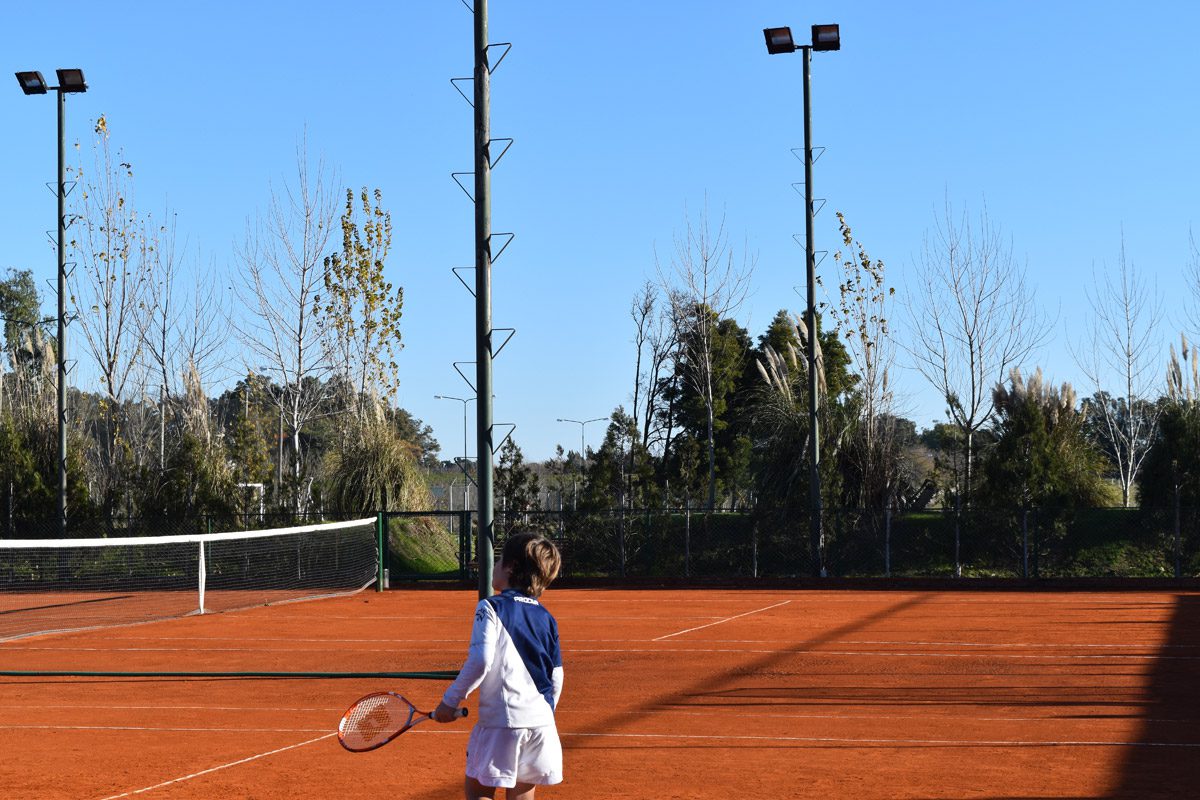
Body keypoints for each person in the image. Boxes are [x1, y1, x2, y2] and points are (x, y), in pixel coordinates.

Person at [434, 532, 564, 800]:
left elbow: (481, 661)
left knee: (479, 791)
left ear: (511, 567)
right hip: (541, 724)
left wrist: (449, 702)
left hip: (501, 724)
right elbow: (557, 677)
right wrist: (542, 713)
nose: (493, 566)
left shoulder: (490, 607)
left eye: (498, 559)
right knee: (522, 792)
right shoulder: (546, 617)